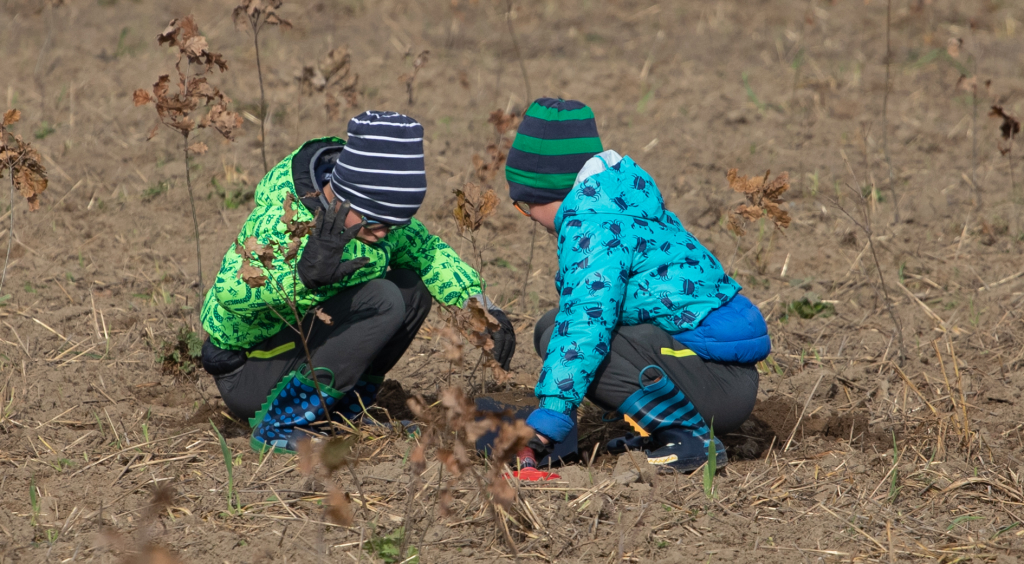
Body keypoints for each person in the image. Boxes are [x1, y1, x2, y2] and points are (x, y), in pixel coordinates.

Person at [201, 111, 515, 453]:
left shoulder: (379, 224)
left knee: (412, 286)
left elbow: (428, 252)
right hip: (252, 369)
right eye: (375, 221)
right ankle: (283, 422)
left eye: (393, 225)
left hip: (301, 349)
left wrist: (478, 307)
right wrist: (301, 278)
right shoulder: (286, 217)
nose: (383, 233)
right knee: (382, 298)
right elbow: (228, 292)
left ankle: (348, 410)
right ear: (343, 193)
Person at [506, 98, 770, 475]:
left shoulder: (591, 225)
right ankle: (656, 429)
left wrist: (549, 421)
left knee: (564, 335)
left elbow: (586, 323)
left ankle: (690, 438)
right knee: (551, 325)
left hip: (718, 388)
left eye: (523, 205)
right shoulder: (620, 199)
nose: (528, 217)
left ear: (548, 191)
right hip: (715, 375)